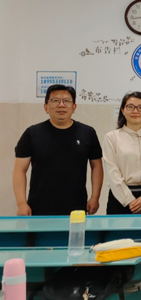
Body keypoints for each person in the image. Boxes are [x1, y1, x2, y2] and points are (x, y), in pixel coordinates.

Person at [13, 84, 103, 216]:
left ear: (74, 107)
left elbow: (97, 166)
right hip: (39, 207)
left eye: (67, 101)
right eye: (55, 100)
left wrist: (95, 197)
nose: (61, 105)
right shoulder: (32, 134)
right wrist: (21, 203)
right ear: (46, 107)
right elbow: (19, 170)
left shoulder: (87, 133)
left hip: (77, 207)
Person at [103, 92, 141, 214]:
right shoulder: (112, 137)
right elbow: (112, 172)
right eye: (130, 107)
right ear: (123, 110)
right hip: (120, 198)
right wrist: (129, 200)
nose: (135, 111)